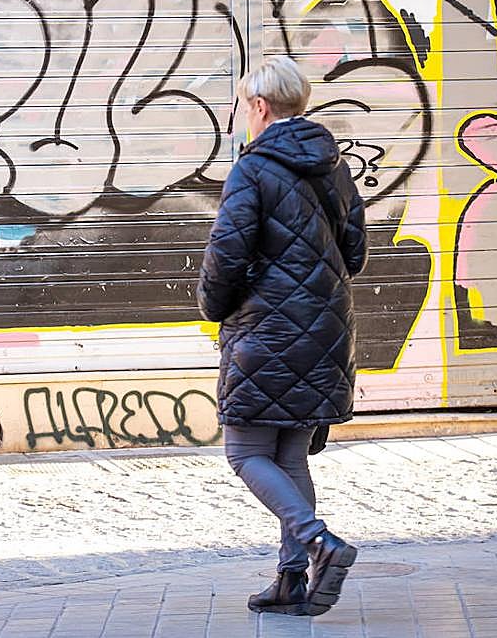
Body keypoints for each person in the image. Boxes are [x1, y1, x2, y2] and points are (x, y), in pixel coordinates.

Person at [197, 55, 368, 617]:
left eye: (244, 107)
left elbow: (227, 255)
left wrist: (215, 307)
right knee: (291, 456)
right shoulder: (334, 166)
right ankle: (292, 580)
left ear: (261, 107)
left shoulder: (252, 169)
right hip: (326, 328)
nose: (244, 117)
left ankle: (318, 541)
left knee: (246, 451)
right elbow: (355, 253)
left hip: (267, 328)